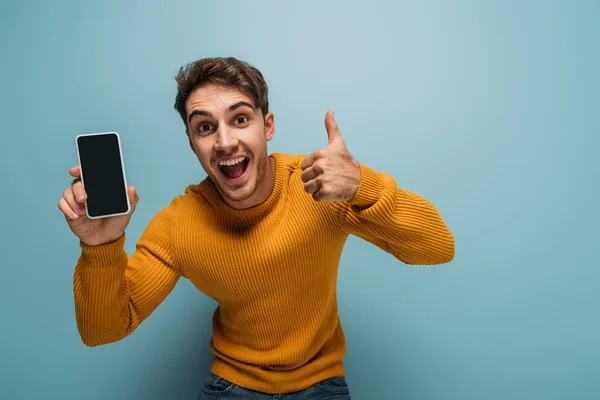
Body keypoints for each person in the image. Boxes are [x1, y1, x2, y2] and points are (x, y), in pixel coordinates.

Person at [58, 57, 455, 399]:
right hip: (230, 386)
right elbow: (102, 330)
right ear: (192, 141)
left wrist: (360, 185)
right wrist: (101, 246)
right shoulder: (179, 223)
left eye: (240, 119)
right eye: (205, 127)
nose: (225, 141)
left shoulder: (317, 186)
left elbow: (438, 247)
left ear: (267, 127)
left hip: (322, 383)